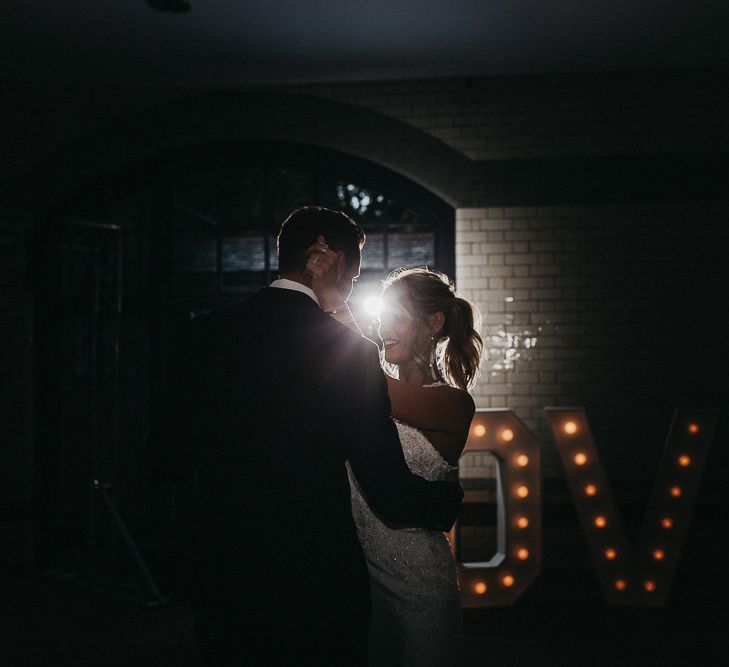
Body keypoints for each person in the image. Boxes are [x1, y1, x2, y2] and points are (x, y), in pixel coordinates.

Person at [181, 206, 464, 666]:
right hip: (317, 579)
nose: (352, 288)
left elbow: (167, 460)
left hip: (223, 573)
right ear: (324, 258)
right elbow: (389, 490)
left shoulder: (203, 335)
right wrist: (450, 502)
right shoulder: (351, 357)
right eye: (352, 276)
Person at [307, 260, 482, 666]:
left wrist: (335, 299)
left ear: (434, 323)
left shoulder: (454, 403)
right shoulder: (366, 394)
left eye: (397, 319)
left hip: (419, 587)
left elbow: (375, 387)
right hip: (361, 586)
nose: (383, 330)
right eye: (382, 318)